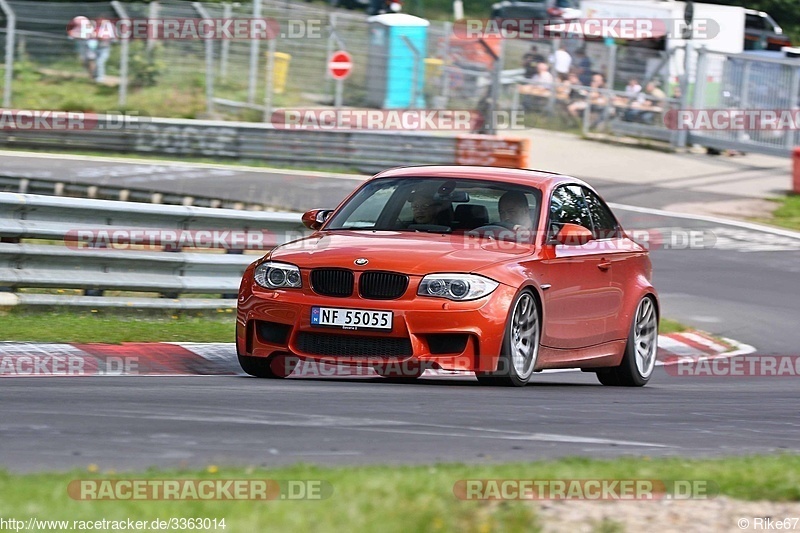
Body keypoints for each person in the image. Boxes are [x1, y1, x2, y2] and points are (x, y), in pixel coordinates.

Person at [93, 15, 117, 83]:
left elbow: (110, 37)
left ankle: (100, 78)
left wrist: (101, 37)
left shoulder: (109, 27)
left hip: (105, 47)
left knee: (100, 62)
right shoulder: (98, 26)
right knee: (95, 62)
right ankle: (95, 75)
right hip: (97, 46)